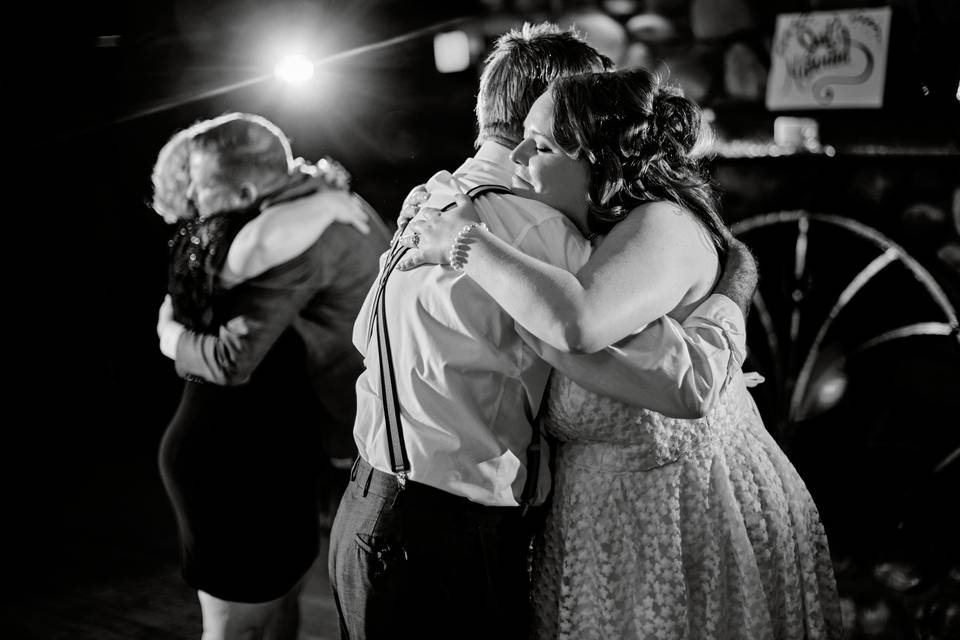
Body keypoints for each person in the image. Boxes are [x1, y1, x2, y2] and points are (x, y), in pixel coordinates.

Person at [328, 24, 759, 640]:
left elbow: (365, 337)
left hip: (364, 511)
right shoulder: (538, 231)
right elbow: (676, 379)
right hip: (443, 535)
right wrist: (734, 286)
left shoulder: (438, 197)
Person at [401, 68, 843, 639]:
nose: (518, 162)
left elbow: (578, 323)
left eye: (543, 147)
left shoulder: (662, 222)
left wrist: (466, 243)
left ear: (603, 162)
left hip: (684, 529)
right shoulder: (579, 238)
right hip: (599, 537)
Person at [152, 112, 389, 640]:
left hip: (312, 439)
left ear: (242, 186)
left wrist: (170, 340)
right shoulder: (321, 205)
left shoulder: (291, 233)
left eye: (202, 187)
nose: (195, 197)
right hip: (261, 449)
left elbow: (231, 360)